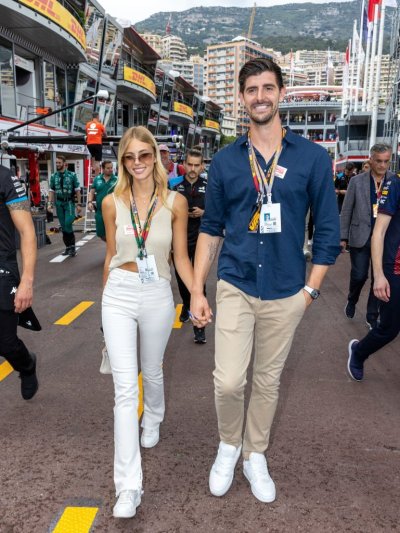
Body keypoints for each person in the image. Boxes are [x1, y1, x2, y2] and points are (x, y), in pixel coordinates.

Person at [190, 58, 340, 503]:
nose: (260, 96)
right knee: (230, 381)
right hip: (235, 281)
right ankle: (228, 445)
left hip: (286, 288)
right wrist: (198, 289)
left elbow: (327, 231)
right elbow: (211, 228)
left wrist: (310, 291)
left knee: (268, 381)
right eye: (251, 89)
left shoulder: (313, 158)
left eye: (268, 88)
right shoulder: (225, 162)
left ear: (282, 93)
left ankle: (255, 453)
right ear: (241, 98)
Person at [101, 126, 194, 519]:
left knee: (151, 370)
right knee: (124, 390)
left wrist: (199, 295)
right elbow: (109, 254)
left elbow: (181, 259)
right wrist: (102, 316)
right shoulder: (111, 202)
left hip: (156, 290)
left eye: (144, 155)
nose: (137, 163)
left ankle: (154, 414)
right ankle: (129, 488)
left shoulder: (175, 202)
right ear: (123, 161)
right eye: (130, 157)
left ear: (155, 156)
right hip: (119, 291)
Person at [347, 174, 400, 381]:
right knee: (389, 329)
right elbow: (378, 233)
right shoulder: (395, 184)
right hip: (395, 268)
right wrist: (378, 276)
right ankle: (359, 352)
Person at [340, 144, 393, 329]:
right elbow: (346, 210)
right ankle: (352, 299)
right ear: (370, 159)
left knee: (379, 277)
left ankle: (372, 316)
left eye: (386, 161)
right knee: (359, 275)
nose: (382, 165)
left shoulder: (395, 181)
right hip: (360, 236)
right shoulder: (356, 181)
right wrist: (343, 237)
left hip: (386, 239)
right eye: (378, 161)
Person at [0, 164, 38, 400]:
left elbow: (27, 232)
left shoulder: (8, 179)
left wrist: (27, 280)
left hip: (2, 268)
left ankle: (26, 365)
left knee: (5, 342)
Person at [172, 148, 207, 344]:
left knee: (199, 282)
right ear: (184, 165)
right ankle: (186, 304)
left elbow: (218, 211)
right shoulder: (174, 185)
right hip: (180, 239)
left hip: (202, 238)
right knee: (181, 278)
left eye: (197, 165)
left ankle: (199, 327)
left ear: (202, 166)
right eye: (190, 165)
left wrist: (204, 212)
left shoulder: (209, 186)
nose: (193, 169)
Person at [48, 155, 82, 257]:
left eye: (59, 162)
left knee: (68, 224)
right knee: (63, 227)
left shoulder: (72, 175)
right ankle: (68, 248)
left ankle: (73, 248)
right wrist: (49, 204)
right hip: (59, 203)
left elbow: (77, 190)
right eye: (56, 163)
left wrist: (79, 204)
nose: (58, 164)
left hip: (69, 203)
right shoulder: (54, 176)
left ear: (64, 163)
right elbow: (51, 191)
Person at [87, 160, 117, 241]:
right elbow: (92, 192)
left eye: (111, 168)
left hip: (113, 211)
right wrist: (90, 202)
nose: (111, 169)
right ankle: (111, 246)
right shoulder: (97, 179)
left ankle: (113, 249)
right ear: (102, 169)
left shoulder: (117, 180)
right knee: (100, 233)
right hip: (100, 211)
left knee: (113, 232)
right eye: (108, 168)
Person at [86, 111, 106, 176]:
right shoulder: (100, 125)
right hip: (97, 143)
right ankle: (96, 177)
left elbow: (87, 132)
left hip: (89, 144)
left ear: (92, 117)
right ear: (97, 117)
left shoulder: (88, 124)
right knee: (97, 161)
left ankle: (93, 170)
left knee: (93, 157)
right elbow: (105, 134)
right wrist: (101, 135)